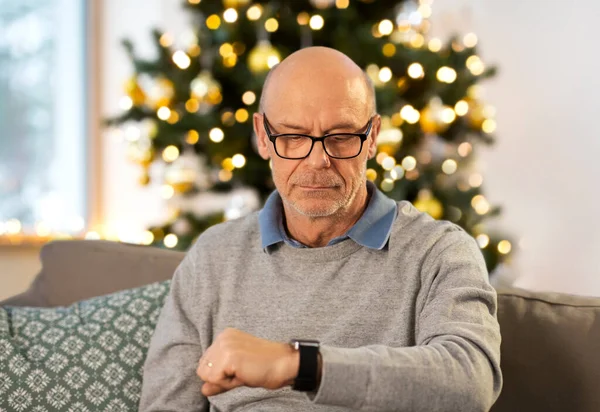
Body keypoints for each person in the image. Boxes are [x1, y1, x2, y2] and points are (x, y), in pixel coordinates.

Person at [140, 46, 502, 412]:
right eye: (293, 137)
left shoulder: (438, 251)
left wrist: (300, 365)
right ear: (263, 137)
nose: (318, 160)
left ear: (373, 136)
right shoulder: (213, 256)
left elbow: (471, 382)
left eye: (342, 136)